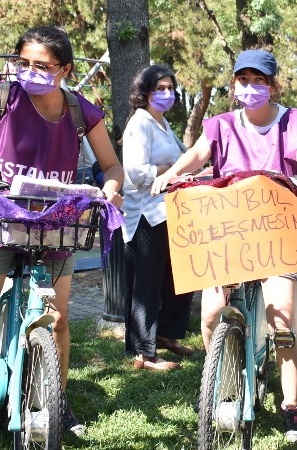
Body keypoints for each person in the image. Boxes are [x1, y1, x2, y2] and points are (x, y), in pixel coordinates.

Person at [0, 25, 124, 450]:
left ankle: (57, 400)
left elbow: (112, 166)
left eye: (42, 65)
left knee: (57, 319)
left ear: (65, 70)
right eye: (23, 63)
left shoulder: (81, 111)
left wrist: (110, 188)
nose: (30, 72)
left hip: (55, 226)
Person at [151, 49, 297, 442]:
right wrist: (171, 174)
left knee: (283, 321)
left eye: (259, 80)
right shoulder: (221, 125)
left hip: (277, 232)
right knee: (212, 314)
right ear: (233, 84)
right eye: (243, 80)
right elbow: (197, 155)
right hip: (228, 231)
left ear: (273, 86)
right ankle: (220, 380)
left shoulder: (295, 121)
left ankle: (291, 404)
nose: (250, 87)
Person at [121, 64, 194, 371]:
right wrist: (168, 171)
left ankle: (165, 334)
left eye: (170, 88)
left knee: (179, 279)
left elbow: (185, 157)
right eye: (159, 89)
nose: (166, 94)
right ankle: (144, 353)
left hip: (170, 212)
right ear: (145, 93)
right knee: (147, 285)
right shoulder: (140, 123)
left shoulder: (163, 124)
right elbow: (136, 173)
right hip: (145, 216)